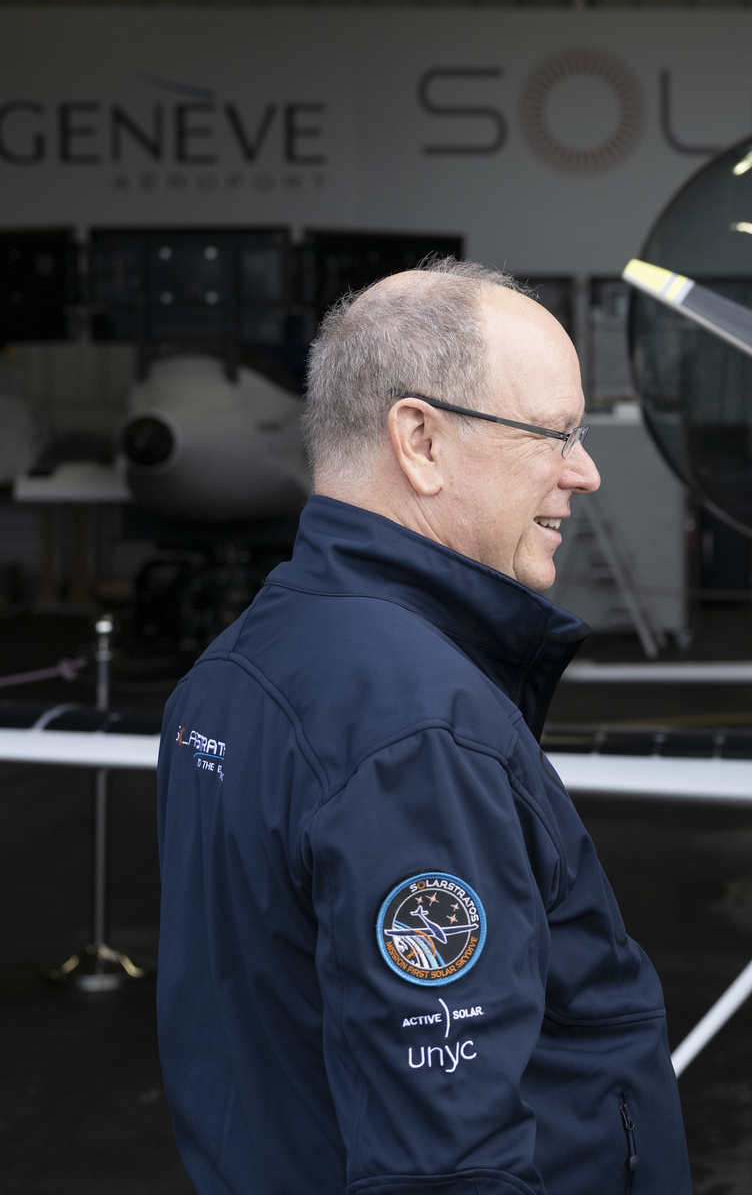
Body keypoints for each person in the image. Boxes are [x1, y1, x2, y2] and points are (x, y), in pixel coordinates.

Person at [155, 259, 691, 1195]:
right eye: (555, 433)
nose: (586, 471)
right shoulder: (415, 732)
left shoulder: (234, 670)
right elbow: (448, 1156)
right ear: (421, 442)